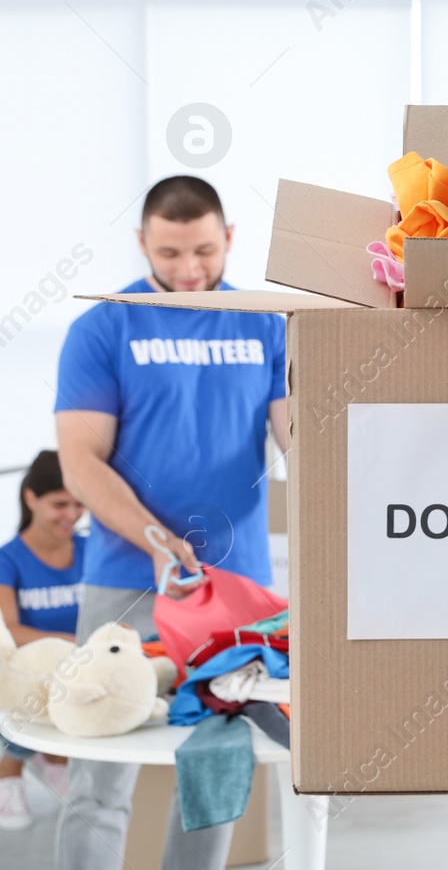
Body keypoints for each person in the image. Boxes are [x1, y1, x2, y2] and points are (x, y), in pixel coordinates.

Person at [54, 176, 288, 869]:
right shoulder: (105, 326)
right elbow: (80, 460)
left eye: (206, 252)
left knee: (213, 773)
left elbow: (296, 433)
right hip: (126, 584)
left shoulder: (266, 319)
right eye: (171, 253)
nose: (190, 270)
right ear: (142, 243)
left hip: (237, 590)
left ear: (230, 239)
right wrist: (156, 539)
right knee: (99, 774)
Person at [0, 450, 85, 831]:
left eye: (80, 503)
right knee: (35, 687)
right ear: (31, 497)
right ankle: (9, 773)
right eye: (60, 503)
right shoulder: (8, 559)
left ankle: (55, 760)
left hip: (81, 664)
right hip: (26, 669)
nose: (72, 513)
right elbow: (8, 630)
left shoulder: (92, 550)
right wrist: (69, 641)